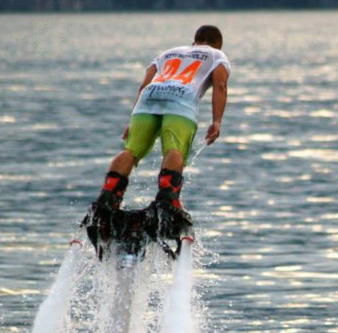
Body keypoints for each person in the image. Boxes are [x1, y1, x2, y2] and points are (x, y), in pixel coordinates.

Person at [84, 25, 230, 241]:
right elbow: (220, 86)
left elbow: (144, 85)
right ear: (218, 44)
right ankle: (167, 200)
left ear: (194, 41)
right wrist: (216, 121)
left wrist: (133, 118)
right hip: (180, 103)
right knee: (174, 149)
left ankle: (108, 198)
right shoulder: (217, 55)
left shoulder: (167, 53)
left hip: (147, 100)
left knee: (131, 150)